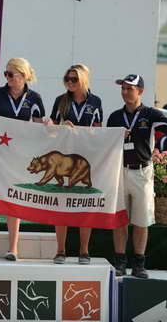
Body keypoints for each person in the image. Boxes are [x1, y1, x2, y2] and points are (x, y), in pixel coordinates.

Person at [107, 74, 167, 278]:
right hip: (119, 171)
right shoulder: (114, 116)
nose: (125, 92)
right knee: (119, 221)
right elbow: (105, 143)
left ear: (140, 91)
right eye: (123, 88)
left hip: (142, 172)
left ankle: (139, 264)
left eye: (130, 88)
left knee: (141, 221)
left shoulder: (151, 114)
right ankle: (120, 262)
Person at [0, 58, 45, 261]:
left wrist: (48, 125)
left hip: (20, 157)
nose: (7, 78)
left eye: (11, 74)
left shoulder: (35, 98)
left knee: (15, 200)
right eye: (6, 73)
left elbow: (39, 127)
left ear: (22, 75)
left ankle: (14, 248)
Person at [49, 63, 102, 265]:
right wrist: (61, 126)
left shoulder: (96, 101)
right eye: (67, 79)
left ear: (84, 80)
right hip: (65, 159)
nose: (70, 83)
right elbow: (51, 129)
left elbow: (98, 130)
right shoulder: (60, 100)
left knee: (83, 205)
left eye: (74, 79)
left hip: (85, 158)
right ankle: (60, 250)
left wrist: (86, 131)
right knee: (62, 205)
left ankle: (84, 251)